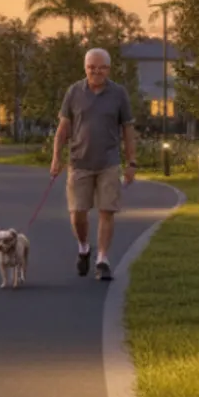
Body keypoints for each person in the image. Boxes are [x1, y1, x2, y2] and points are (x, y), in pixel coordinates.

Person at [49, 48, 135, 282]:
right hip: (79, 162)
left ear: (109, 69)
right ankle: (84, 247)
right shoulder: (74, 92)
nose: (97, 72)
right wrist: (56, 157)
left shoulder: (118, 93)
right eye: (92, 67)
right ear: (85, 68)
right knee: (78, 213)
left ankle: (103, 260)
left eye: (102, 68)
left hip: (109, 161)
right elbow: (63, 128)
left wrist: (131, 162)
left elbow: (128, 129)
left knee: (107, 211)